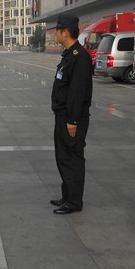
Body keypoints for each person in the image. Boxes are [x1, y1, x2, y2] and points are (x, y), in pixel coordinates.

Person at [50, 14, 93, 215]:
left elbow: (77, 92)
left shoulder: (80, 57)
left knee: (72, 159)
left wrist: (72, 120)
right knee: (63, 157)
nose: (56, 34)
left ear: (65, 33)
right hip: (63, 117)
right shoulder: (69, 55)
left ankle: (74, 202)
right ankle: (67, 196)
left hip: (71, 119)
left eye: (57, 31)